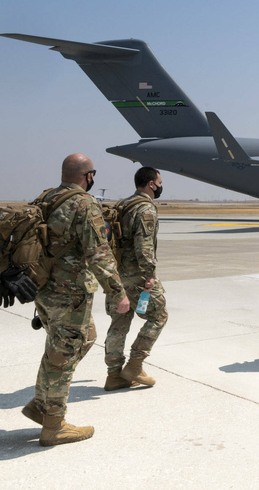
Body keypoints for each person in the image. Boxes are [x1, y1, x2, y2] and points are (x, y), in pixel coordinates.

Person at [22, 154, 129, 446]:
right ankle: (54, 425)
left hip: (43, 290)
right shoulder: (84, 203)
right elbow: (99, 252)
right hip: (69, 294)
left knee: (69, 344)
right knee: (64, 353)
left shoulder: (44, 199)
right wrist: (117, 292)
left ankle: (40, 405)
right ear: (88, 176)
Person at [104, 167, 168, 391]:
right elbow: (144, 246)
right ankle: (134, 365)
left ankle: (114, 375)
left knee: (119, 323)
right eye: (159, 182)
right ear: (151, 184)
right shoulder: (145, 209)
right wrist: (149, 276)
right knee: (159, 316)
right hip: (137, 277)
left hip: (116, 275)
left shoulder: (124, 204)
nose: (161, 186)